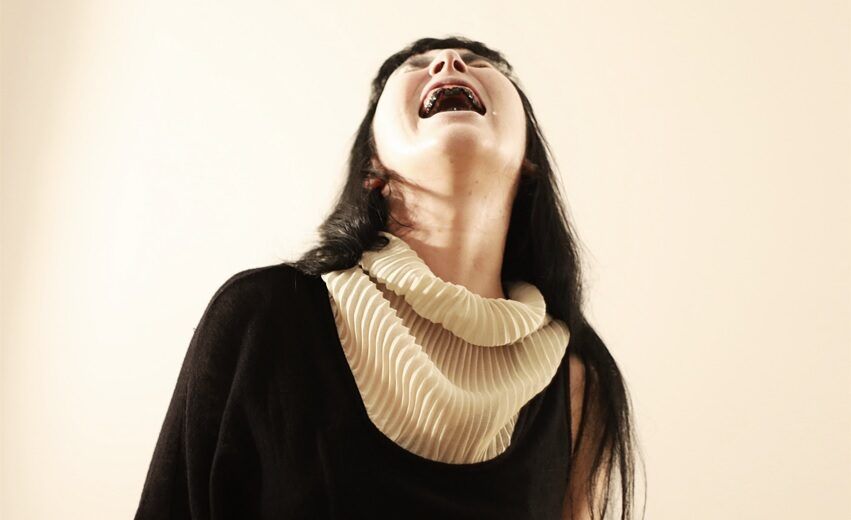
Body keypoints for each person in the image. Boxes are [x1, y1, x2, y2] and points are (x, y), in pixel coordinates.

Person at [134, 35, 644, 520]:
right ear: (372, 167)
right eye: (416, 66)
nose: (448, 62)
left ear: (530, 158)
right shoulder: (263, 317)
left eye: (480, 63)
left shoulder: (579, 382)